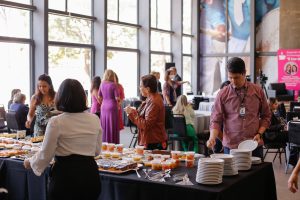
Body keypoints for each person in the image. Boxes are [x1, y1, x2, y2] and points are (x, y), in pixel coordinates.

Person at [23, 79, 102, 200]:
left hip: (65, 177)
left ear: (60, 97)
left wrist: (30, 162)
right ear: (83, 97)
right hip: (90, 175)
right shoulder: (94, 119)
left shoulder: (56, 121)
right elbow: (96, 151)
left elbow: (46, 154)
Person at [207, 57, 271, 158]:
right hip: (231, 146)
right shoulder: (223, 94)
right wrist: (212, 137)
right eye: (230, 77)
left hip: (253, 144)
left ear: (244, 73)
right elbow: (215, 120)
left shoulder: (257, 91)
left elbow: (266, 116)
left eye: (236, 77)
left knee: (257, 173)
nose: (233, 81)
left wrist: (260, 133)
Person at [124, 74, 167, 150]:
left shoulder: (154, 102)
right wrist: (131, 112)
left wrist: (132, 113)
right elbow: (140, 118)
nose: (139, 88)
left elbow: (146, 125)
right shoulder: (150, 98)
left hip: (154, 141)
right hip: (151, 139)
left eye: (141, 86)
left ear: (147, 89)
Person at [99, 69, 120, 143]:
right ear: (112, 76)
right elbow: (117, 98)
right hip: (112, 106)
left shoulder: (102, 84)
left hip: (104, 106)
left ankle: (104, 143)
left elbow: (99, 97)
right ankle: (113, 143)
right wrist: (119, 104)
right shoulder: (113, 85)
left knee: (104, 125)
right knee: (112, 125)